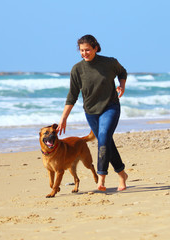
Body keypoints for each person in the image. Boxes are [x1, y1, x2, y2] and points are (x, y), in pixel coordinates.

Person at [57, 34, 128, 191]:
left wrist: (121, 86)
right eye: (82, 50)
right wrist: (63, 118)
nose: (84, 53)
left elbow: (122, 72)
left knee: (103, 138)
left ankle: (101, 179)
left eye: (87, 50)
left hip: (110, 107)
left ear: (95, 48)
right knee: (106, 141)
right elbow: (72, 95)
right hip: (91, 112)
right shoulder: (77, 69)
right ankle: (122, 174)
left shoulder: (109, 63)